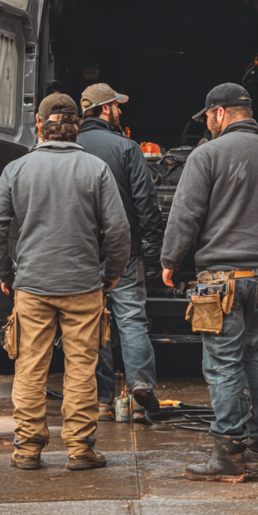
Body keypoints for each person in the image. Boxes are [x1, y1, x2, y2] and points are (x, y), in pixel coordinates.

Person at [160, 83, 258, 480]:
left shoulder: (207, 154)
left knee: (222, 364)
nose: (207, 125)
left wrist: (170, 260)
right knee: (250, 357)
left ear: (220, 113)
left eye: (207, 117)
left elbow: (185, 213)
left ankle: (227, 454)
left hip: (220, 280)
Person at [0, 93, 130, 471]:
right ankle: (80, 450)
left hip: (32, 288)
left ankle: (28, 449)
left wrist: (8, 274)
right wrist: (111, 273)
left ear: (39, 126)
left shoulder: (17, 169)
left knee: (30, 368)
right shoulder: (96, 169)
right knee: (81, 368)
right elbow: (118, 230)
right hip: (84, 287)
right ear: (77, 126)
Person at [76, 83, 164, 422]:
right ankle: (140, 386)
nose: (120, 112)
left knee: (93, 322)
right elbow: (145, 203)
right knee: (130, 319)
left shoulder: (69, 147)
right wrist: (152, 247)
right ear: (104, 109)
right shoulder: (127, 148)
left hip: (82, 252)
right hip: (123, 250)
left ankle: (101, 401)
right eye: (116, 106)